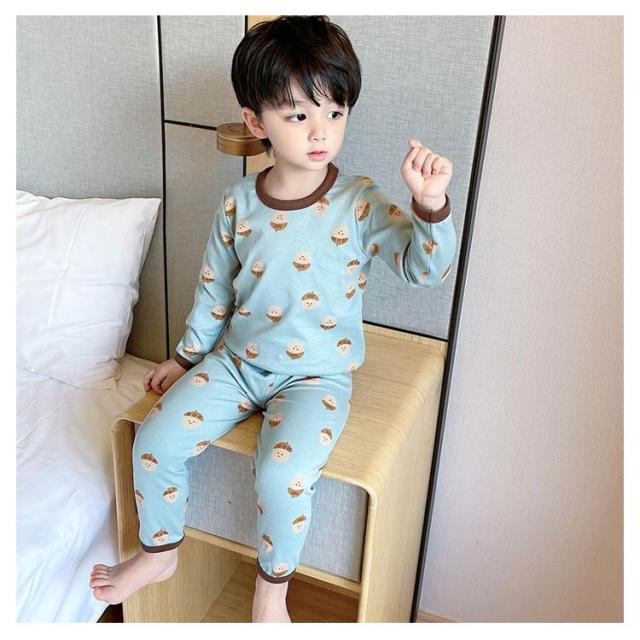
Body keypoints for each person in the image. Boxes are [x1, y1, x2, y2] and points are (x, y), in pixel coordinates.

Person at [89, 15, 456, 623]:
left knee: (282, 472)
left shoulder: (360, 201)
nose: (320, 131)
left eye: (334, 112)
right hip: (236, 364)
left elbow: (424, 270)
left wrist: (430, 204)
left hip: (317, 377)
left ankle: (271, 594)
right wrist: (185, 358)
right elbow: (214, 291)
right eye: (298, 114)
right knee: (153, 439)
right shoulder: (238, 204)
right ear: (257, 122)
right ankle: (159, 553)